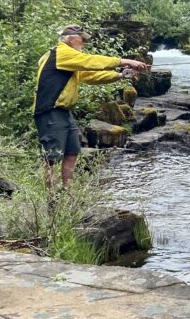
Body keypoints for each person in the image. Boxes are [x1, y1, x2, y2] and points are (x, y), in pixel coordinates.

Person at [33, 24, 149, 193]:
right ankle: (51, 197)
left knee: (72, 151)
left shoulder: (69, 60)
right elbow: (91, 61)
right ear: (71, 39)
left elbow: (90, 76)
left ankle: (66, 192)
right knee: (53, 156)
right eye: (82, 39)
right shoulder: (61, 53)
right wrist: (124, 61)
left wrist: (120, 75)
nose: (84, 44)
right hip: (51, 110)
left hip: (63, 112)